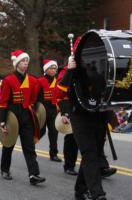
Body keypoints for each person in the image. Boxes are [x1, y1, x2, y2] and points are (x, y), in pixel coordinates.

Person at [57, 55, 116, 200]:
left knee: (93, 155)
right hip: (80, 117)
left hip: (98, 115)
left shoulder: (96, 70)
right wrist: (70, 70)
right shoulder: (68, 70)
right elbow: (59, 92)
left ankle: (80, 190)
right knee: (89, 154)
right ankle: (97, 194)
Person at [0, 49, 45, 185]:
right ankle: (5, 169)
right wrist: (2, 121)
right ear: (17, 63)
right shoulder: (8, 80)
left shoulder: (32, 80)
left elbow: (34, 98)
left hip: (26, 118)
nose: (25, 64)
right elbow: (3, 102)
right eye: (23, 61)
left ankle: (33, 174)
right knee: (9, 146)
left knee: (29, 147)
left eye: (27, 61)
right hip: (12, 117)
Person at [54, 64, 79, 175]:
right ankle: (69, 165)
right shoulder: (66, 70)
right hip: (71, 108)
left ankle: (101, 166)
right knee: (72, 138)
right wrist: (64, 112)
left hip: (88, 109)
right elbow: (60, 94)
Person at [38, 59, 62, 162]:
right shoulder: (40, 81)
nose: (54, 70)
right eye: (52, 68)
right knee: (41, 131)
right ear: (46, 69)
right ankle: (29, 145)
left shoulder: (58, 81)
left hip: (53, 110)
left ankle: (53, 154)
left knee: (54, 132)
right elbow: (37, 97)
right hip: (43, 109)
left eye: (55, 68)